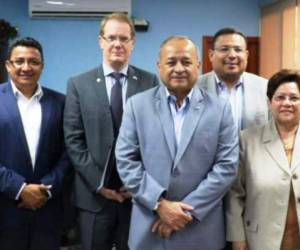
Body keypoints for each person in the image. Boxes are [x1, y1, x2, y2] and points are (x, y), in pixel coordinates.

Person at [115, 36, 239, 250]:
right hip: (150, 228)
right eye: (171, 62)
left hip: (201, 230)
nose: (179, 69)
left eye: (187, 62)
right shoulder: (137, 106)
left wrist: (183, 212)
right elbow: (126, 161)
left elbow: (227, 167)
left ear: (199, 66)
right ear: (159, 66)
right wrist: (160, 204)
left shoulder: (220, 109)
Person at [63, 13, 158, 250]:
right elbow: (74, 139)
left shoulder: (150, 82)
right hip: (93, 196)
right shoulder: (78, 84)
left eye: (124, 38)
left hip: (135, 196)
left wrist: (138, 183)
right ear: (100, 41)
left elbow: (156, 138)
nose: (117, 44)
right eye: (112, 37)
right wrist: (99, 183)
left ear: (133, 43)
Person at [0, 37, 70, 250]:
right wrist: (19, 188)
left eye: (33, 62)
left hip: (47, 210)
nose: (26, 67)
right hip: (5, 208)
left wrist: (46, 189)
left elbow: (69, 152)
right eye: (19, 61)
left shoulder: (61, 102)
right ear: (8, 65)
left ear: (42, 66)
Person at [226, 69, 300, 250]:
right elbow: (235, 194)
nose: (287, 103)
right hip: (261, 240)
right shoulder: (247, 139)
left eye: (294, 98)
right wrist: (237, 238)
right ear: (269, 103)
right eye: (280, 97)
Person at [199, 27, 269, 130]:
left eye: (238, 50)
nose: (232, 55)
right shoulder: (194, 87)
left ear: (246, 55)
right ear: (211, 55)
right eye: (224, 49)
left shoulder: (265, 87)